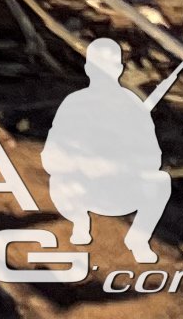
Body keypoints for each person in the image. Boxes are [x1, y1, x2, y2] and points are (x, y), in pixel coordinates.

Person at [44, 39, 175, 259]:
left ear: (119, 69)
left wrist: (120, 162)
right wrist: (84, 161)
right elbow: (51, 157)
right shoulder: (74, 104)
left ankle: (138, 239)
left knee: (161, 182)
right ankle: (79, 221)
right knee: (58, 182)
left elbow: (153, 160)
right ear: (88, 68)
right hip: (83, 191)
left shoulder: (133, 106)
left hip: (122, 191)